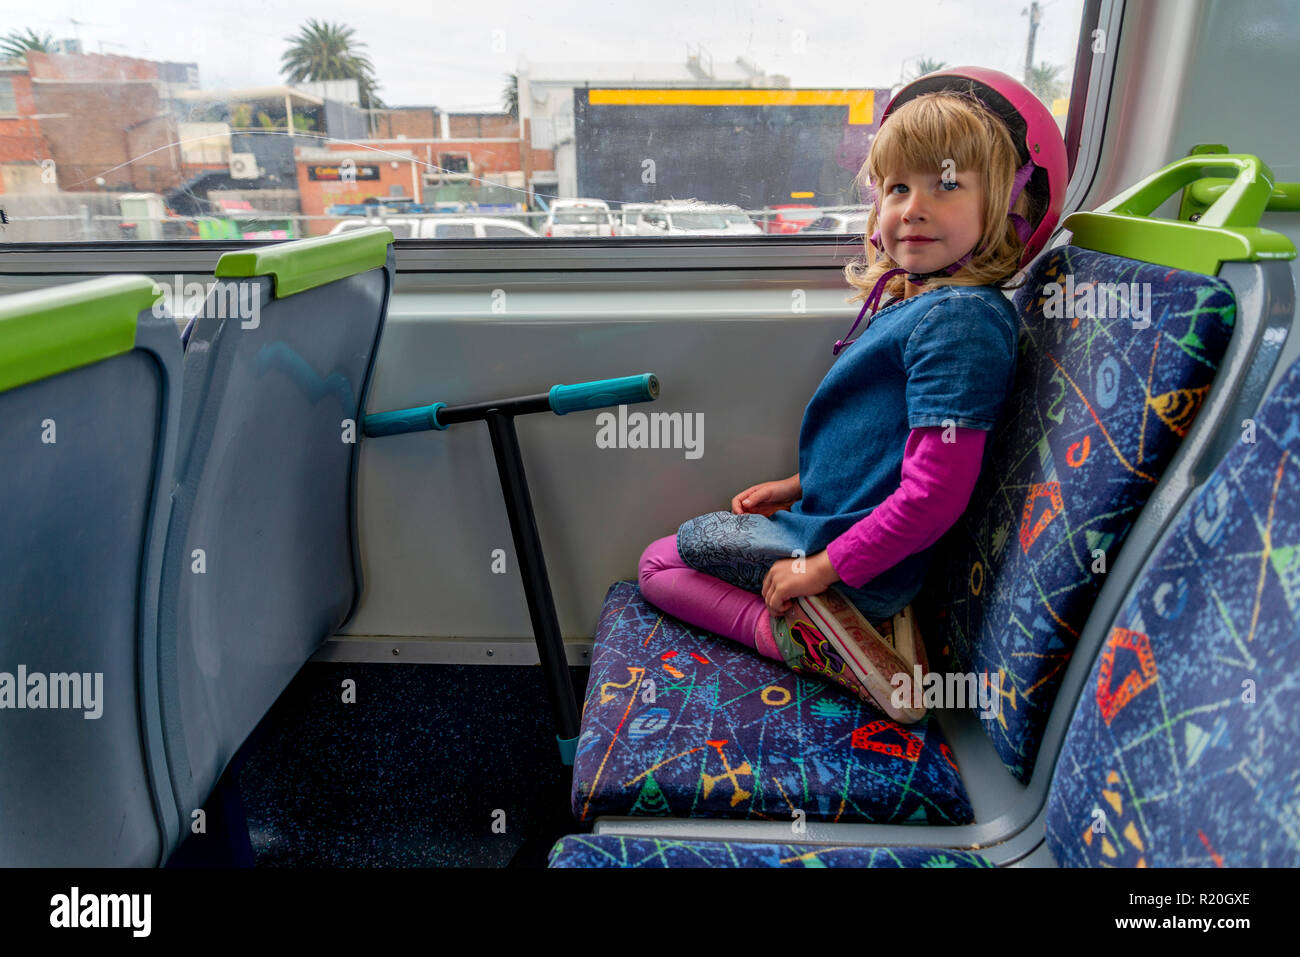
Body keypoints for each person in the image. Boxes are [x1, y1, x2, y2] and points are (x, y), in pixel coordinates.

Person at [637, 67, 1068, 721]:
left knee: (659, 564)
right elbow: (879, 443)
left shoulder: (960, 322)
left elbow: (934, 492)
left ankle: (808, 638)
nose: (913, 206)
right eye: (897, 186)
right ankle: (870, 623)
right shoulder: (925, 305)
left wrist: (819, 572)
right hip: (838, 531)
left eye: (946, 184)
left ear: (1008, 207)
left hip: (850, 554)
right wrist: (794, 483)